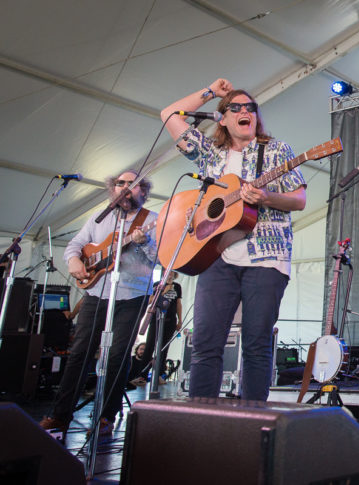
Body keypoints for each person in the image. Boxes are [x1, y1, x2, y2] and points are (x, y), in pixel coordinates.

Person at [161, 78, 306, 401]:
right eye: (235, 108)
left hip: (266, 259)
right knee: (205, 344)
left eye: (250, 108)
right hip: (215, 256)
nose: (245, 112)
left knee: (257, 345)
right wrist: (210, 92)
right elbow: (170, 115)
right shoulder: (211, 154)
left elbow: (299, 199)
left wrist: (265, 197)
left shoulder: (277, 150)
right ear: (223, 118)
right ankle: (200, 421)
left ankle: (251, 425)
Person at [40, 170, 156, 436]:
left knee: (116, 355)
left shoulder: (153, 220)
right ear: (112, 189)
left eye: (133, 184)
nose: (126, 188)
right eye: (121, 183)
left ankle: (106, 416)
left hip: (133, 294)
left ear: (144, 192)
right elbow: (75, 245)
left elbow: (161, 258)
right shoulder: (99, 216)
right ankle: (60, 416)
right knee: (80, 353)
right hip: (96, 292)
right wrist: (74, 260)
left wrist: (145, 241)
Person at [139, 270, 183, 384]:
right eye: (168, 274)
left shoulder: (177, 286)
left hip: (170, 320)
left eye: (172, 274)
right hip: (156, 319)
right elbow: (150, 301)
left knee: (163, 348)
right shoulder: (156, 285)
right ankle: (142, 375)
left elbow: (178, 304)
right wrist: (164, 292)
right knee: (150, 346)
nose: (169, 276)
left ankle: (159, 375)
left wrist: (180, 320)